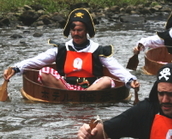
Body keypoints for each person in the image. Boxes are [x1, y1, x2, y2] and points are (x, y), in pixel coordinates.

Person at [3, 8, 139, 91]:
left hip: (91, 88)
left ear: (86, 31)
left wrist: (130, 79)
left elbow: (116, 68)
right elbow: (36, 61)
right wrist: (15, 68)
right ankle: (70, 95)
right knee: (44, 72)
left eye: (79, 30)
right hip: (65, 87)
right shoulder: (62, 49)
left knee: (107, 81)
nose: (76, 33)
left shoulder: (98, 50)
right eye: (73, 30)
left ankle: (83, 96)